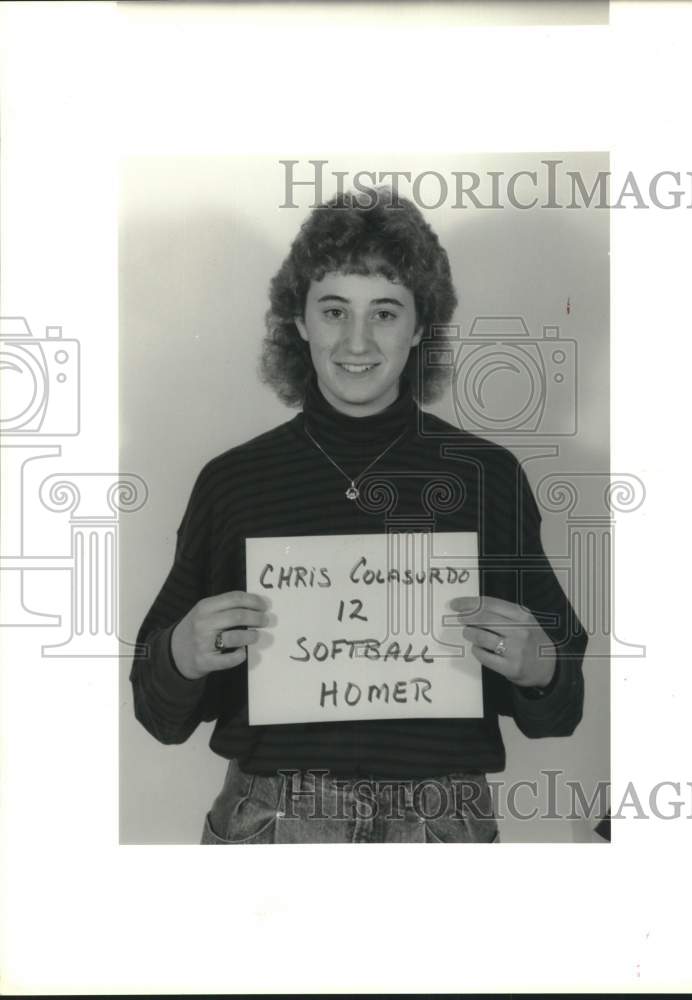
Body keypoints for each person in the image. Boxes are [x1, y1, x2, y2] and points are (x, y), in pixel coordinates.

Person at [130, 186, 588, 844]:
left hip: (442, 827)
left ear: (419, 326)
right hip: (271, 825)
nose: (356, 340)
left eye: (384, 313)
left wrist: (540, 665)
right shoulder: (232, 482)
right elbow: (159, 714)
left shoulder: (487, 478)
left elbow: (559, 712)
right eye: (334, 309)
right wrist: (179, 652)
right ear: (300, 322)